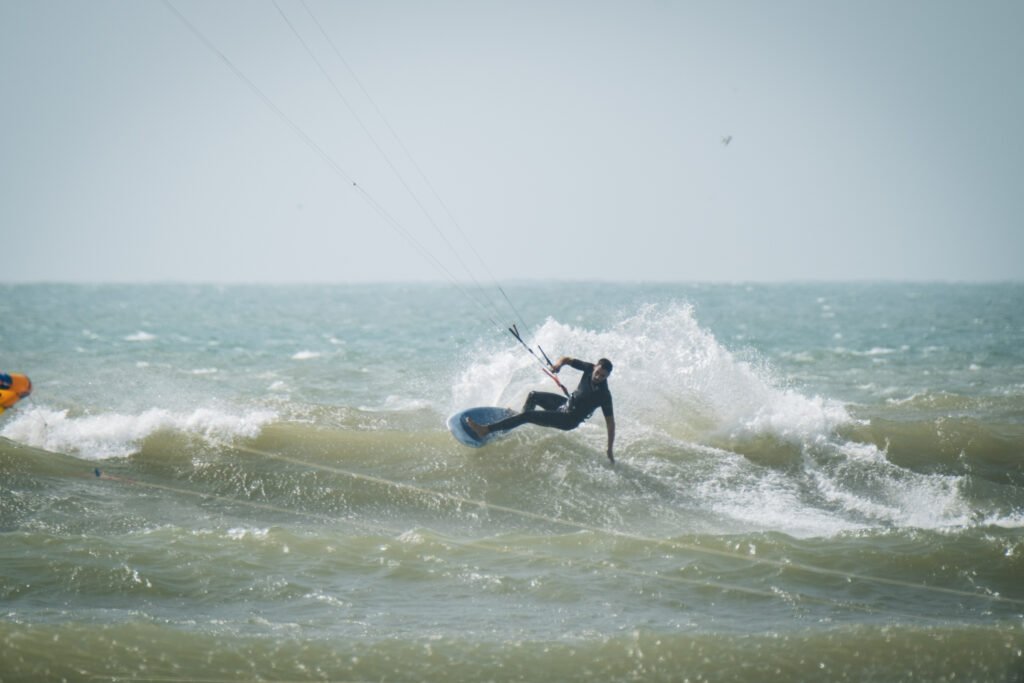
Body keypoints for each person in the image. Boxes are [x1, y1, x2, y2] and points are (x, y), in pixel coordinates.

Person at [466, 356, 616, 462]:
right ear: (595, 367)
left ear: (607, 377)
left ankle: (486, 430)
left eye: (603, 376)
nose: (598, 377)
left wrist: (609, 449)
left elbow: (610, 424)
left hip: (569, 420)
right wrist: (558, 365)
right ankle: (517, 420)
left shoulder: (604, 395)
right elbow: (567, 359)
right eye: (598, 373)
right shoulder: (589, 368)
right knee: (533, 395)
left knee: (528, 416)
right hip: (566, 405)